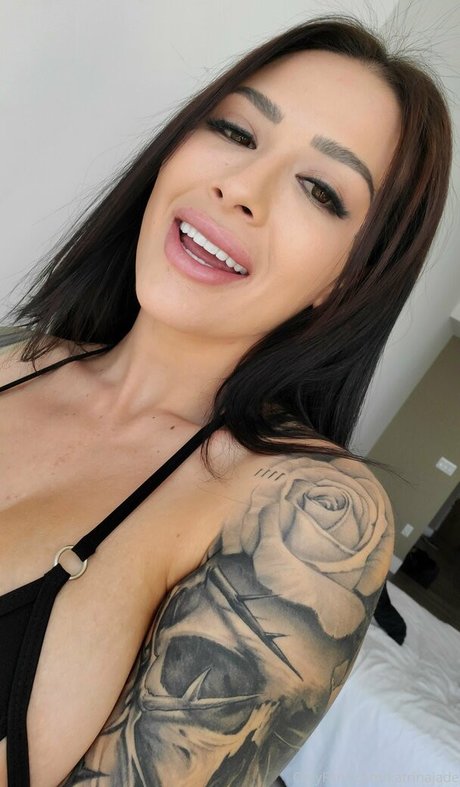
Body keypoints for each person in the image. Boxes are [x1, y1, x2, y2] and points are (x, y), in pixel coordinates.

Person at [0, 12, 452, 787]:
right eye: (237, 132)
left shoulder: (304, 513)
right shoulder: (18, 355)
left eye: (321, 190)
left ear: (349, 277)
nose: (240, 188)